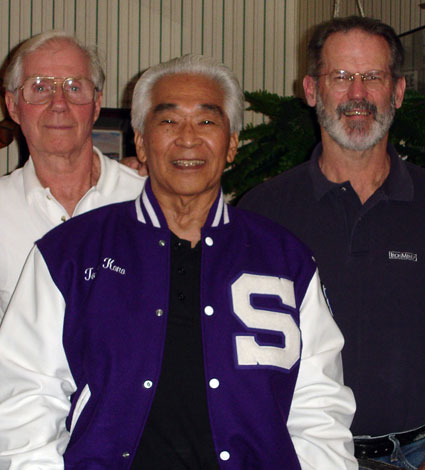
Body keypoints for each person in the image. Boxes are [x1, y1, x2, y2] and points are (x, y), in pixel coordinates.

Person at [0, 54, 357, 469]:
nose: (188, 138)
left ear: (232, 144)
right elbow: (25, 398)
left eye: (207, 121)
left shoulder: (284, 257)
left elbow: (320, 406)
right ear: (140, 142)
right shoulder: (70, 252)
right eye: (168, 121)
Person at [239, 15, 425, 470]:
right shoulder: (262, 211)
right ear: (310, 90)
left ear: (397, 92)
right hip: (305, 454)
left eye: (373, 77)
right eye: (340, 77)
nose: (357, 94)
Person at [0, 30, 145, 319]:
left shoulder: (146, 200)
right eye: (40, 87)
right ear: (13, 106)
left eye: (74, 87)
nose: (59, 103)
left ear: (96, 105)